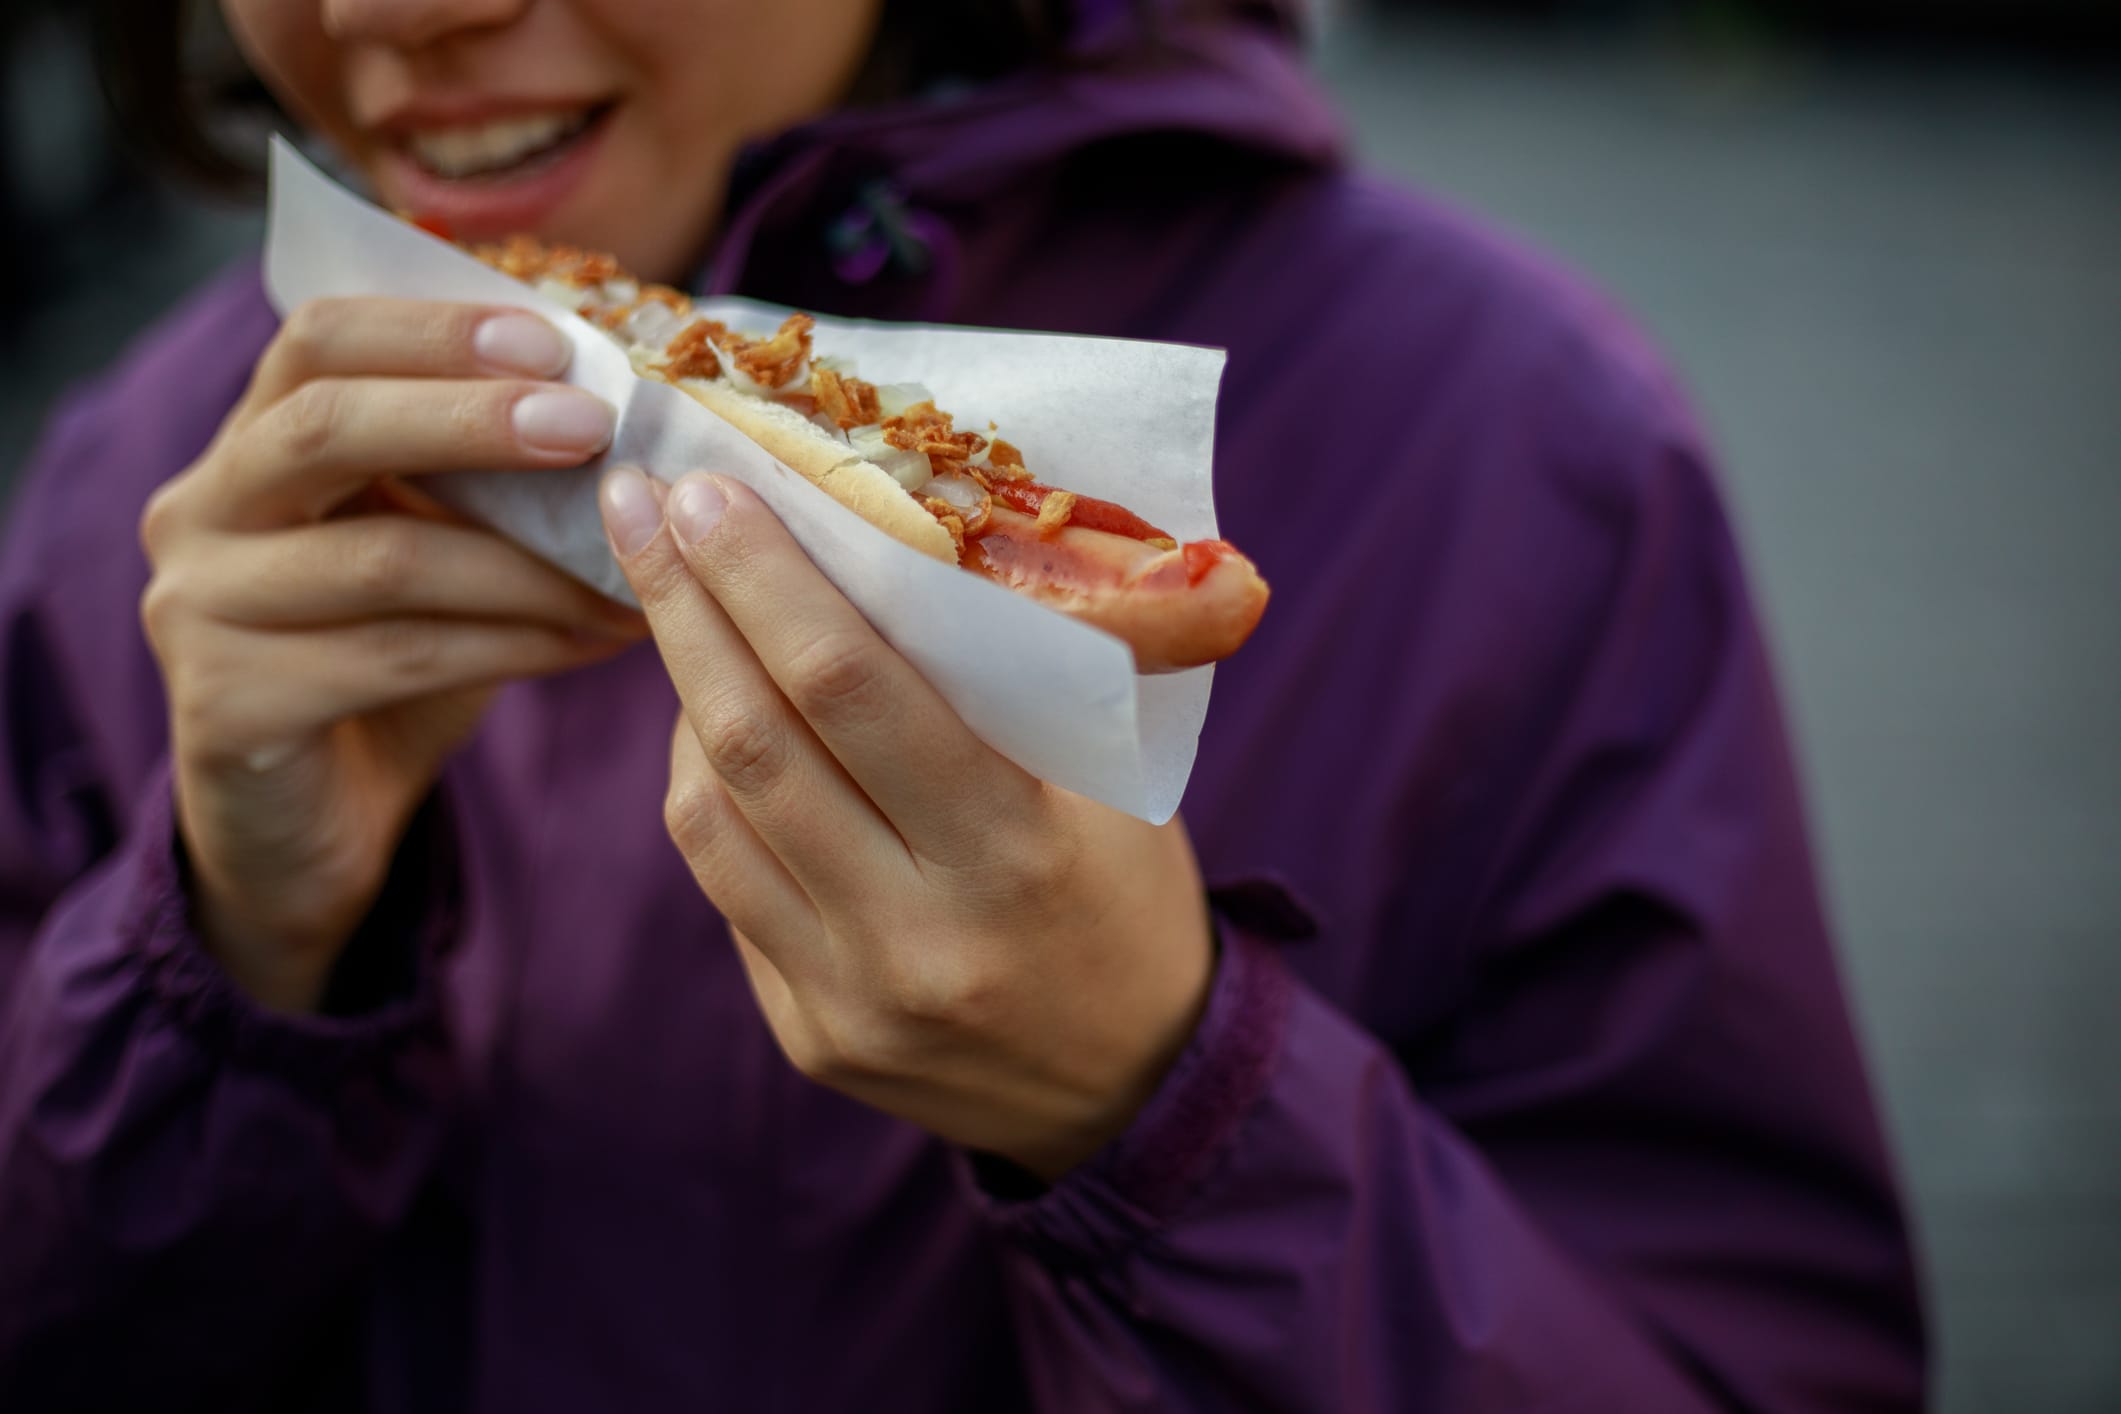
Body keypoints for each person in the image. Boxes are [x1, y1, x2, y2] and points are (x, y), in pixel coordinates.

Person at [0, 0, 1926, 1408]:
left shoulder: (1512, 452)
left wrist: (1163, 1108)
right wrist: (219, 973)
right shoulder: (161, 488)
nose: (387, 16)